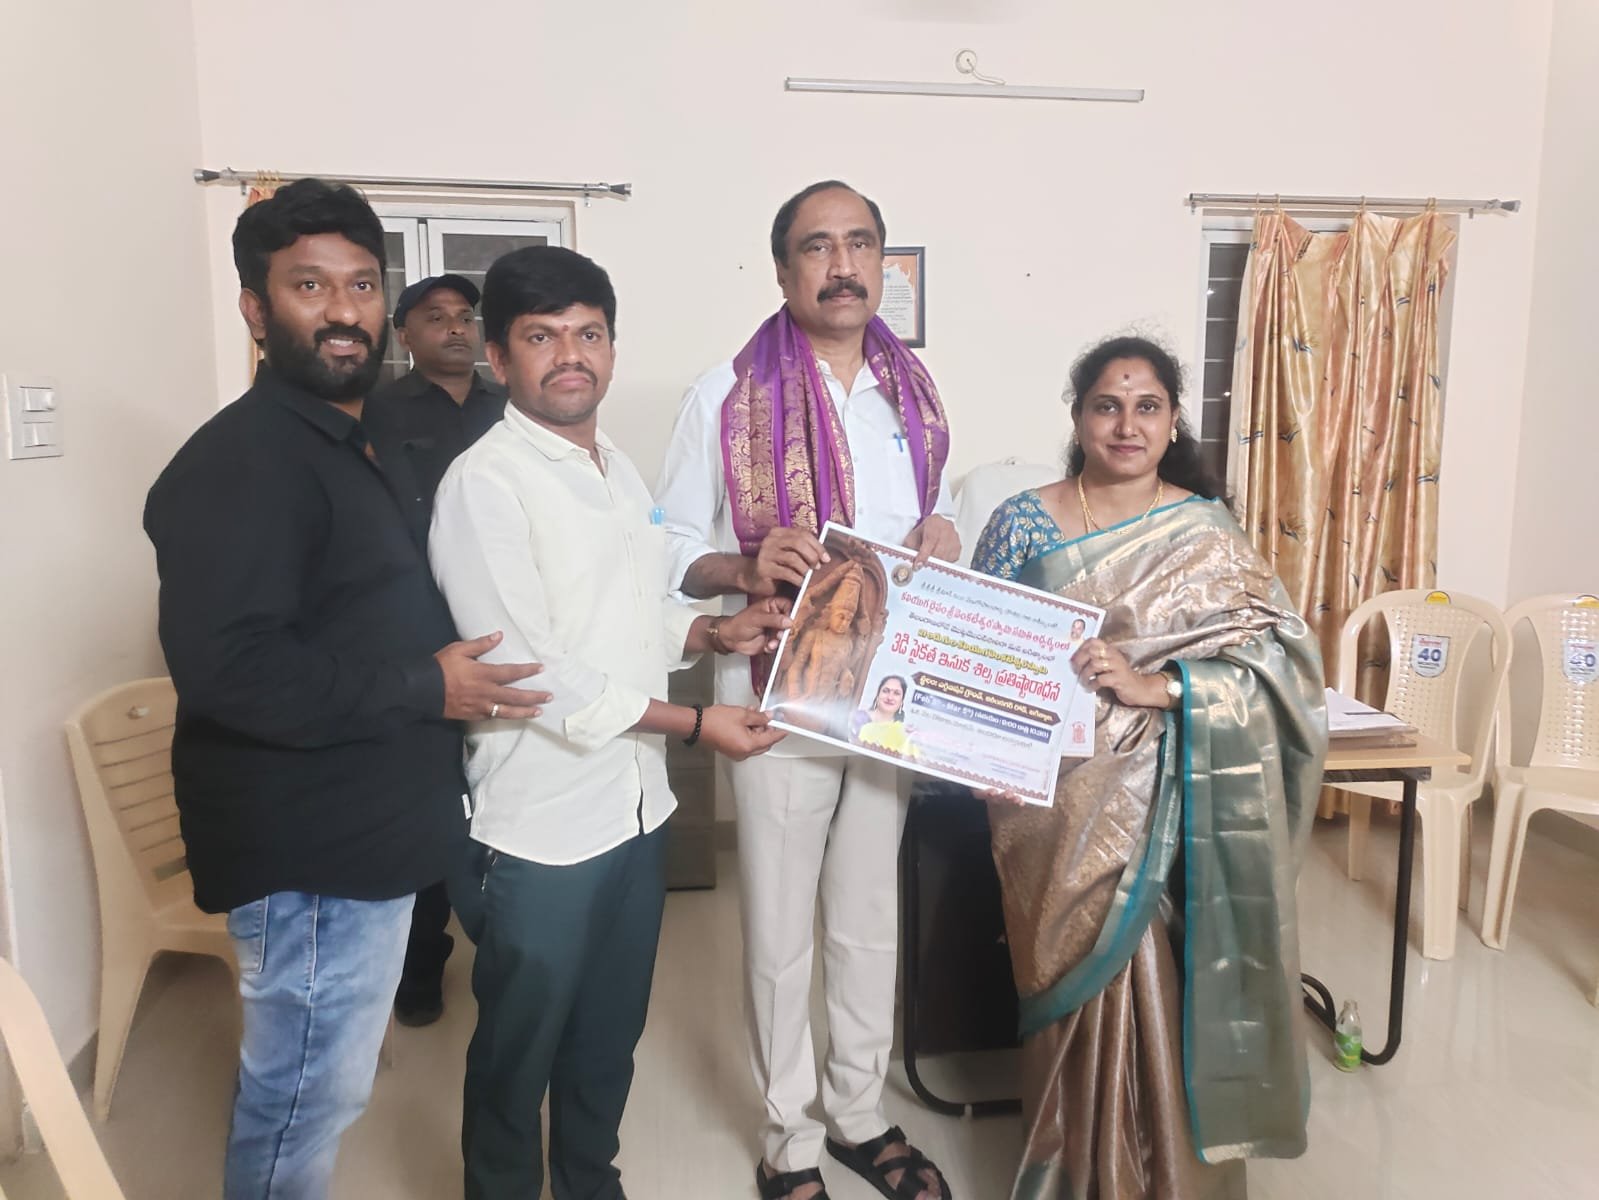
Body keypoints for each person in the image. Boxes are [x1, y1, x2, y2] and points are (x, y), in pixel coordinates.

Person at [143, 178, 550, 1200]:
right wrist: (426, 684)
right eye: (309, 285)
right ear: (256, 308)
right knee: (304, 1097)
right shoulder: (242, 463)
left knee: (324, 1088)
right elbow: (230, 670)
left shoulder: (346, 437)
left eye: (362, 285)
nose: (342, 310)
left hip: (363, 828)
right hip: (309, 852)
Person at [427, 245, 792, 1200]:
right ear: (498, 359)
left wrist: (712, 629)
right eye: (540, 337)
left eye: (587, 334)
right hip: (540, 827)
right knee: (519, 1048)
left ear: (612, 350)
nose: (569, 356)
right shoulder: (486, 482)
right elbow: (530, 670)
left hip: (636, 810)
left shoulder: (617, 468)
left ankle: (591, 1181)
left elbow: (630, 617)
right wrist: (695, 722)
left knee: (606, 1035)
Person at [970, 335, 1328, 1200]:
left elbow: (1281, 669)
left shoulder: (1207, 531)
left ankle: (1170, 1178)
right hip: (1050, 798)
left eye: (1146, 407)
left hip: (1175, 793)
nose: (1125, 424)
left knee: (1166, 976)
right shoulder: (1022, 521)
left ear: (1171, 423)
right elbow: (975, 648)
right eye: (1106, 405)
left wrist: (1161, 686)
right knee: (1066, 980)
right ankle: (1073, 1171)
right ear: (1077, 419)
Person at [655, 180, 957, 1200]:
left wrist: (941, 531)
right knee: (781, 930)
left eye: (859, 244)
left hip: (888, 695)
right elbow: (667, 547)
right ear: (783, 270)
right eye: (818, 247)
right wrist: (741, 566)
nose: (842, 265)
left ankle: (858, 1114)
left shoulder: (913, 396)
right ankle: (788, 1137)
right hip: (777, 693)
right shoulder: (726, 394)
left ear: (882, 264)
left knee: (869, 915)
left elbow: (921, 529)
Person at [364, 274, 508, 1026]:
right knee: (426, 800)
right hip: (418, 634)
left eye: (464, 317)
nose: (455, 328)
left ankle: (510, 954)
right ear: (404, 334)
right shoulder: (378, 412)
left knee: (503, 789)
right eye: (435, 318)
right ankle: (420, 966)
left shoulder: (511, 407)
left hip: (507, 629)